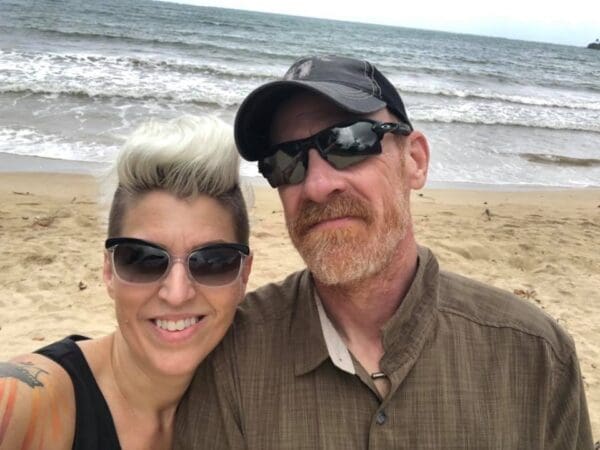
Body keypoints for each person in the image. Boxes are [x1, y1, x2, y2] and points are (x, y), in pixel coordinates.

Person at [175, 56, 594, 449]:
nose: (318, 185)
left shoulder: (535, 357)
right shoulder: (232, 357)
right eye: (287, 162)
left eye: (350, 142)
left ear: (414, 160)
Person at [0, 115, 252, 450]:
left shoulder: (242, 405)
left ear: (244, 275)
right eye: (143, 259)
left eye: (212, 262)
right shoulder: (33, 404)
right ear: (109, 271)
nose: (177, 293)